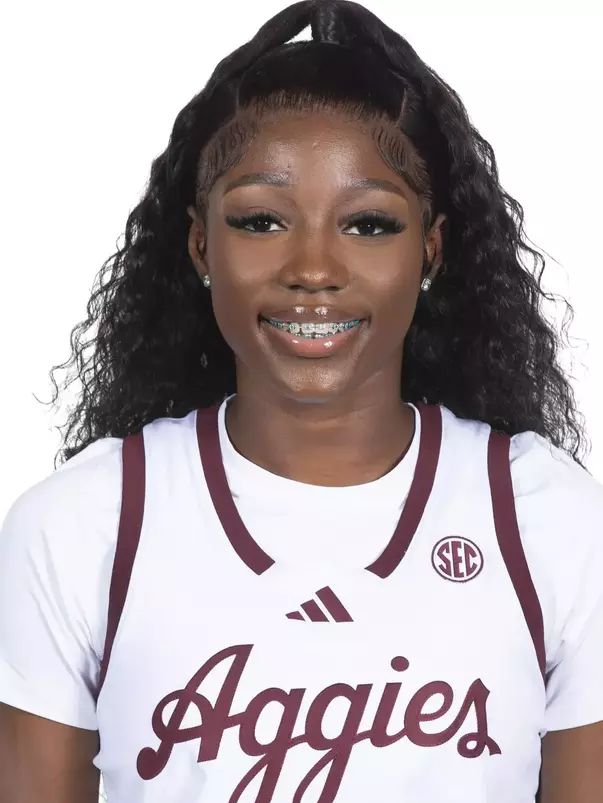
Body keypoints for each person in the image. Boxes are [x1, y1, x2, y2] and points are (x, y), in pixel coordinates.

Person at [1, 1, 602, 801]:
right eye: (261, 220)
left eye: (368, 224)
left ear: (430, 250)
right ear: (200, 244)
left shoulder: (546, 520)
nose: (313, 268)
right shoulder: (85, 522)